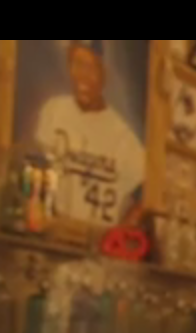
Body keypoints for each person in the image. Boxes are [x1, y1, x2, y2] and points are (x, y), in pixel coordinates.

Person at [33, 40, 145, 226]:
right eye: (77, 64)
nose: (83, 75)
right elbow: (36, 171)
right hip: (54, 232)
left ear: (103, 74)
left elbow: (147, 195)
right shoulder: (53, 111)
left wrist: (122, 232)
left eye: (91, 67)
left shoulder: (123, 138)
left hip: (97, 239)